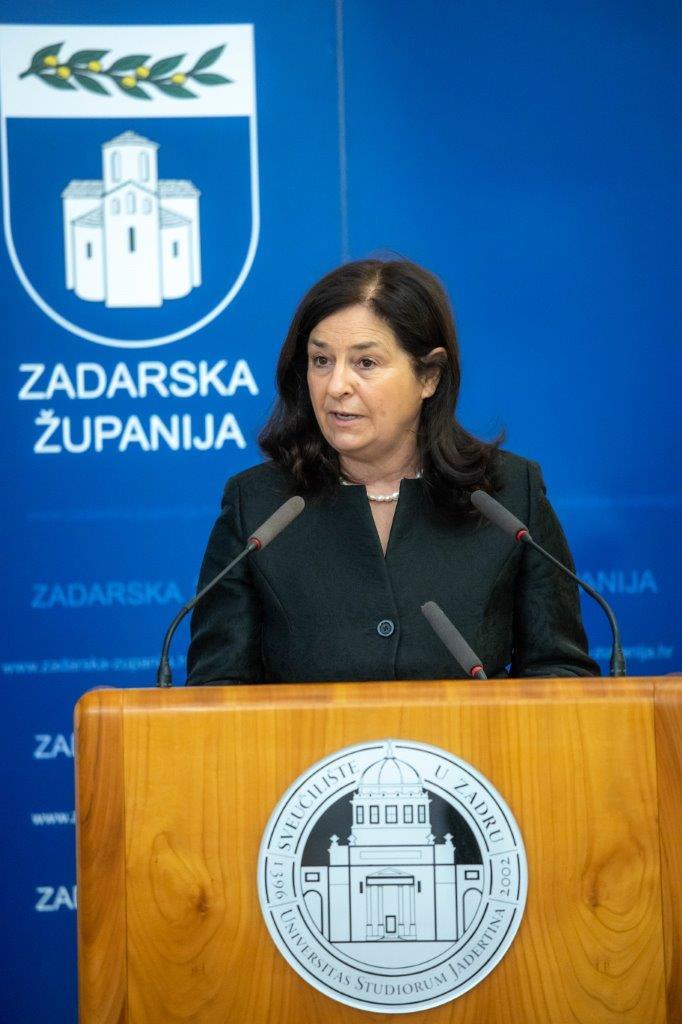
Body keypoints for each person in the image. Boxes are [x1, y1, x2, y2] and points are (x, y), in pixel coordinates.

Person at [187, 259, 598, 684]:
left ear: (429, 376)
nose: (336, 386)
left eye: (365, 363)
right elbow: (217, 689)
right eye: (321, 360)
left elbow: (560, 672)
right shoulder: (258, 507)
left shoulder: (507, 496)